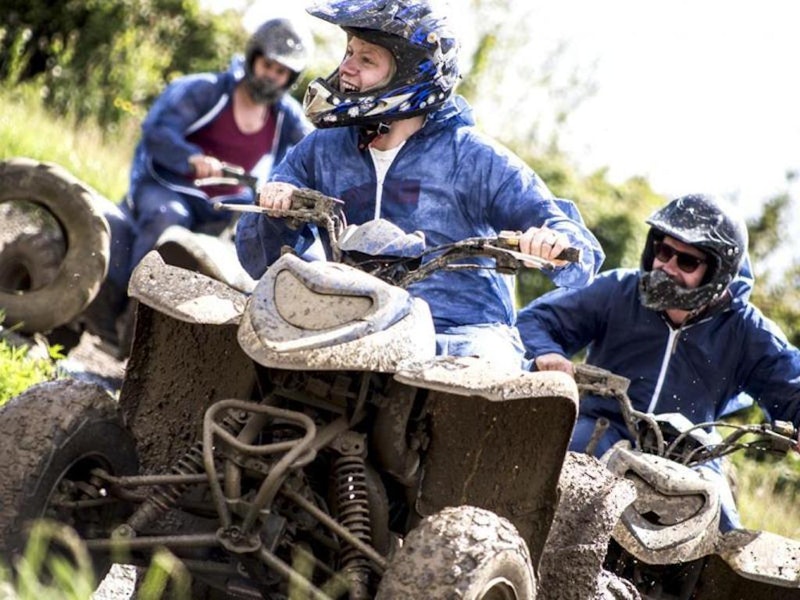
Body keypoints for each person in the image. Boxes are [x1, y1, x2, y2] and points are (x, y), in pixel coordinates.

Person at [235, 0, 604, 367]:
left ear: (410, 76)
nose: (346, 68)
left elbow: (580, 253)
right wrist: (275, 210)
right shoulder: (321, 148)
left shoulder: (475, 158)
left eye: (366, 60)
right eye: (349, 52)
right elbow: (259, 260)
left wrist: (555, 242)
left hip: (461, 334)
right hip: (350, 319)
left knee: (484, 374)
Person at [518, 193, 800, 530]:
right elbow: (535, 321)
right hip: (604, 429)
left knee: (727, 540)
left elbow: (791, 387)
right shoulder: (618, 290)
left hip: (694, 455)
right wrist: (547, 353)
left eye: (687, 262)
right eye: (664, 251)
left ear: (718, 272)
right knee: (544, 480)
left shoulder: (746, 329)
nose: (667, 266)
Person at [91, 18, 314, 347]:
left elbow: (312, 155)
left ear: (290, 78)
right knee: (168, 220)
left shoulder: (287, 118)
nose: (272, 76)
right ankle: (124, 314)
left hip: (221, 209)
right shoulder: (204, 90)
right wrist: (190, 158)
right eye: (268, 64)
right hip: (165, 187)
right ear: (254, 57)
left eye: (282, 72)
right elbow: (156, 131)